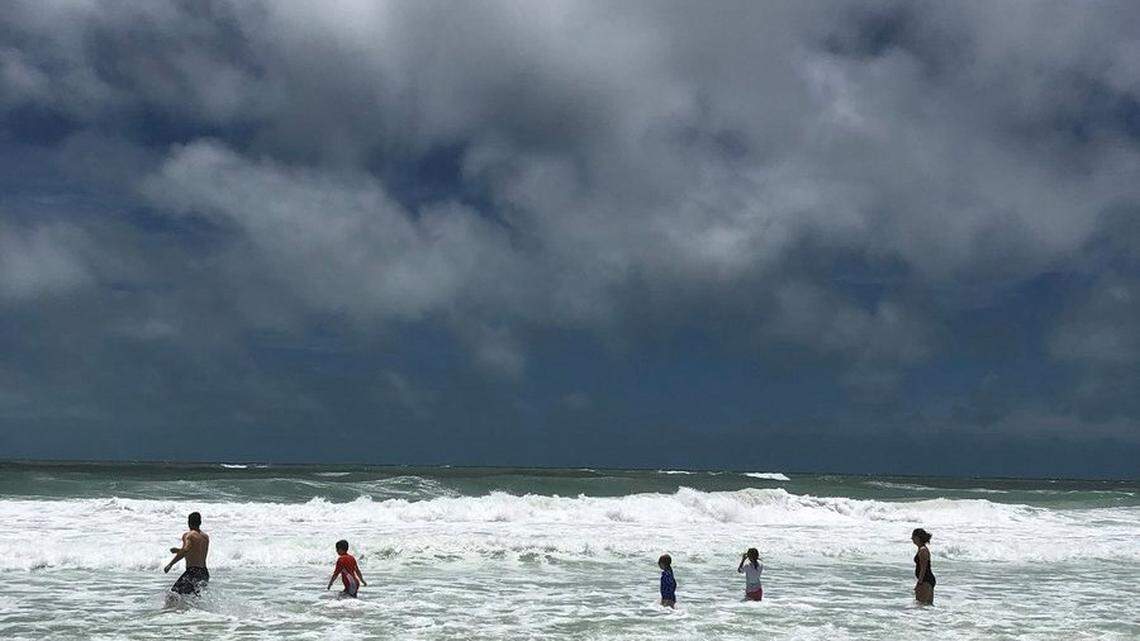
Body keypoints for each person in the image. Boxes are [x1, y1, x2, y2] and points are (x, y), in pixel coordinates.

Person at [164, 511, 210, 596]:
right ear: (200, 522)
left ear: (189, 522)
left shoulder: (189, 535)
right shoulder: (205, 537)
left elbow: (186, 550)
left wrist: (170, 564)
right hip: (204, 573)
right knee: (194, 599)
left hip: (193, 572)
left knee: (173, 595)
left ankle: (172, 610)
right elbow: (195, 551)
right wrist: (178, 550)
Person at [912, 528, 935, 605]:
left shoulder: (923, 550)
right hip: (927, 580)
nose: (912, 539)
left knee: (920, 605)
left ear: (917, 538)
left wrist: (919, 583)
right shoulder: (921, 549)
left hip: (925, 580)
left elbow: (923, 568)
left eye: (913, 537)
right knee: (926, 606)